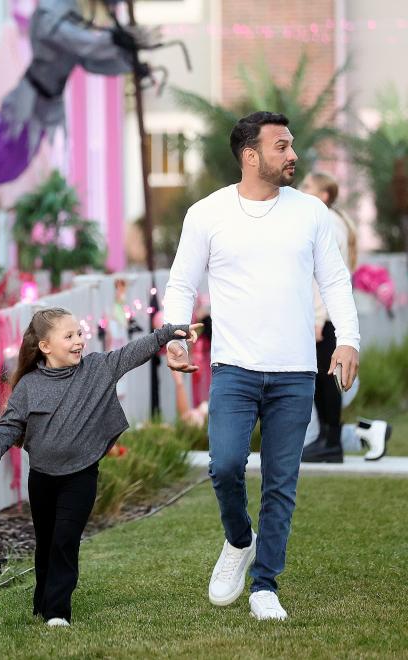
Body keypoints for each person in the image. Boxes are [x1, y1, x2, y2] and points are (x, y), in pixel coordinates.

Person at [162, 112, 360, 621]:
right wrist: (174, 335)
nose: (292, 155)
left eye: (291, 145)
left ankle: (264, 584)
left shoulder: (311, 213)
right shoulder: (207, 213)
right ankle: (238, 538)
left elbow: (336, 281)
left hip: (295, 372)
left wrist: (348, 341)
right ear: (250, 155)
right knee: (224, 465)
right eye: (281, 146)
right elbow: (183, 283)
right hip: (235, 369)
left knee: (280, 481)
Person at [0, 307, 198, 627]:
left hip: (80, 475)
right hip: (41, 478)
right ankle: (43, 600)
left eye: (79, 333)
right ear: (45, 347)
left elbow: (133, 352)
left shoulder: (97, 369)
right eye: (69, 336)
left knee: (65, 539)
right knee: (47, 541)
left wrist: (167, 333)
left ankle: (57, 612)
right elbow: (9, 425)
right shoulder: (29, 386)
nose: (79, 341)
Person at [298, 171, 388, 462]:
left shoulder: (327, 222)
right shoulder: (331, 221)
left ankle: (331, 442)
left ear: (324, 195)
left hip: (323, 318)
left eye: (308, 186)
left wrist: (317, 318)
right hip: (325, 317)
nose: (301, 189)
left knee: (325, 380)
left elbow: (324, 278)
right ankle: (329, 440)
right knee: (323, 379)